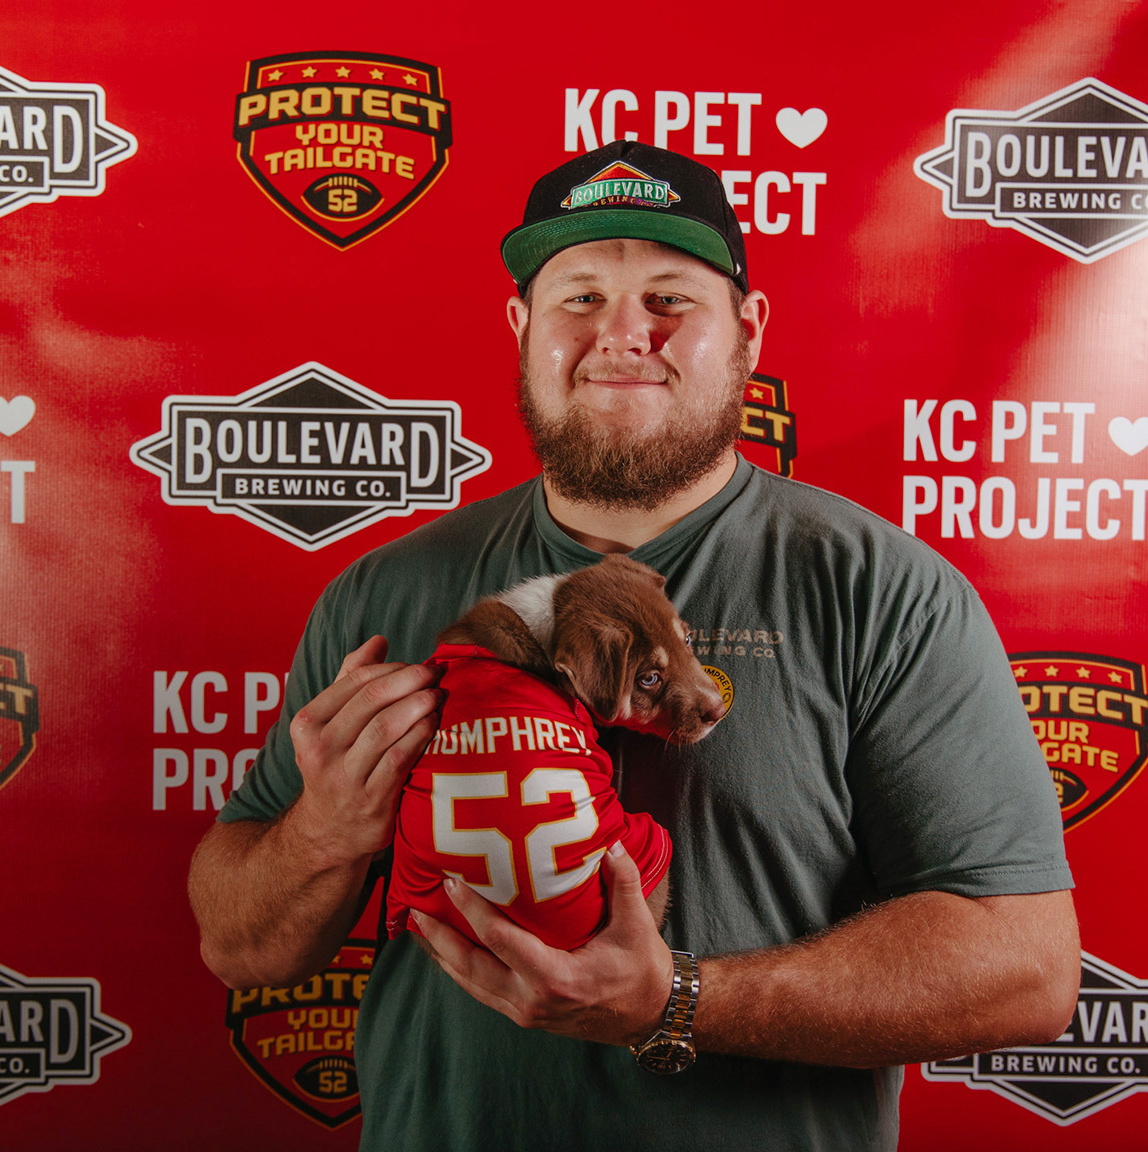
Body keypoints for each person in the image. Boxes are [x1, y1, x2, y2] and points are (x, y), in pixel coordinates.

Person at [189, 140, 1079, 1151]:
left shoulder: (880, 590)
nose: (622, 333)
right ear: (523, 328)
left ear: (746, 333)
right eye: (578, 299)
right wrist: (322, 833)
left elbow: (1027, 971)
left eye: (668, 299)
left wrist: (681, 999)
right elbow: (238, 941)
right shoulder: (389, 592)